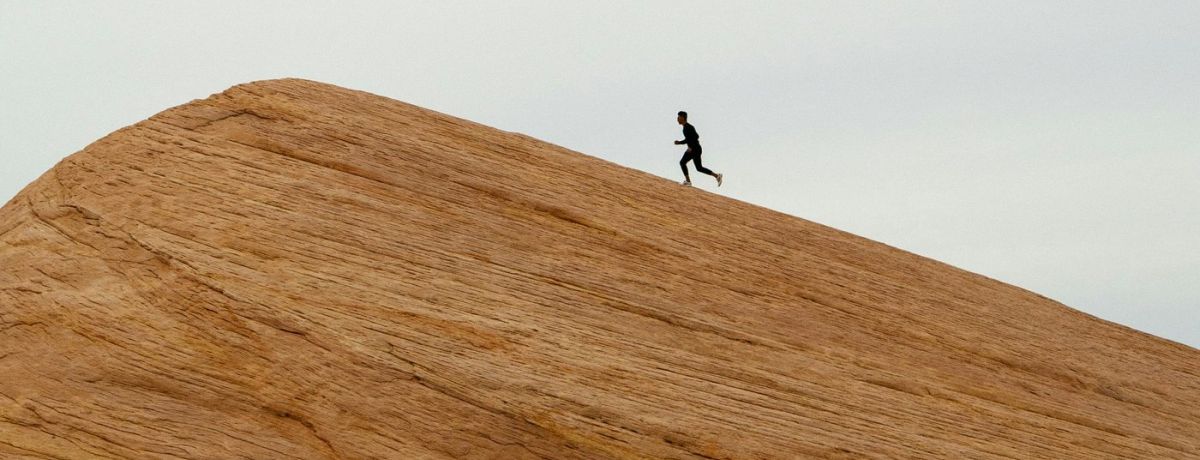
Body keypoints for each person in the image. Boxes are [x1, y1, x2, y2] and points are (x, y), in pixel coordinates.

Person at [674, 111, 722, 187]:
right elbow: (692, 138)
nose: (677, 119)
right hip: (696, 148)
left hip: (695, 149)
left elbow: (694, 137)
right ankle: (717, 175)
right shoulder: (686, 127)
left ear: (683, 118)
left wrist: (681, 143)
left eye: (678, 117)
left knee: (682, 162)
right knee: (699, 168)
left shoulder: (687, 127)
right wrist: (689, 145)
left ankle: (688, 181)